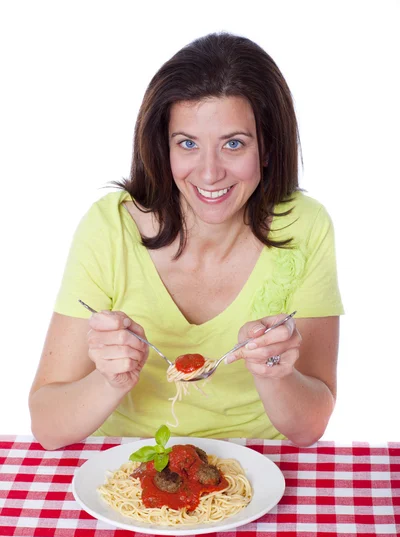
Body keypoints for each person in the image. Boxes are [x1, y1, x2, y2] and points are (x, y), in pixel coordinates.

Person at [29, 32, 344, 450]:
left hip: (258, 465)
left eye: (234, 144)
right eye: (188, 144)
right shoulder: (110, 228)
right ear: (164, 147)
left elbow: (309, 428)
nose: (209, 173)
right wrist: (108, 381)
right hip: (129, 465)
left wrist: (277, 374)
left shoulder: (304, 226)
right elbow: (48, 428)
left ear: (267, 148)